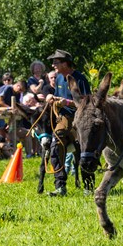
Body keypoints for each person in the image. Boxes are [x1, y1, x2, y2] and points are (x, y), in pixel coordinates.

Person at [45, 49, 91, 197]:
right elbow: (59, 98)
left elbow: (87, 102)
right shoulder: (58, 78)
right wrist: (52, 98)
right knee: (55, 146)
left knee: (83, 151)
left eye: (56, 62)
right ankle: (60, 187)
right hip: (64, 119)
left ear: (66, 63)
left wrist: (69, 102)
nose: (53, 65)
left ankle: (88, 186)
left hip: (81, 118)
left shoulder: (80, 79)